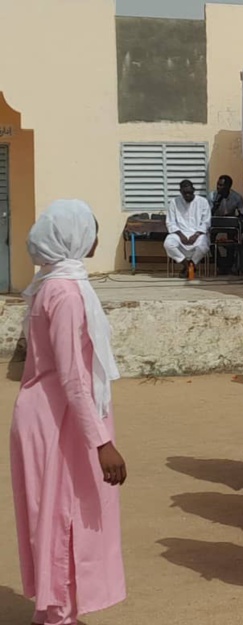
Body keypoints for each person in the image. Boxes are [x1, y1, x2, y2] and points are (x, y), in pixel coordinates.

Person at [11, 200, 127, 625]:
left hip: (58, 415)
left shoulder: (55, 284)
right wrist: (103, 443)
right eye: (92, 228)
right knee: (61, 517)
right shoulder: (64, 292)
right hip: (57, 420)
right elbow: (73, 375)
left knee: (60, 514)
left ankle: (57, 611)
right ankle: (57, 614)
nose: (97, 236)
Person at [164, 180, 211, 279]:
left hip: (198, 233)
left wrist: (196, 235)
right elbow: (170, 222)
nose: (188, 195)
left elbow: (206, 222)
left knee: (203, 246)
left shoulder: (203, 202)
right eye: (185, 193)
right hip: (179, 233)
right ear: (180, 192)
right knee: (168, 244)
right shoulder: (174, 202)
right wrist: (181, 235)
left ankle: (190, 266)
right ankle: (188, 265)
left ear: (194, 190)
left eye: (190, 192)